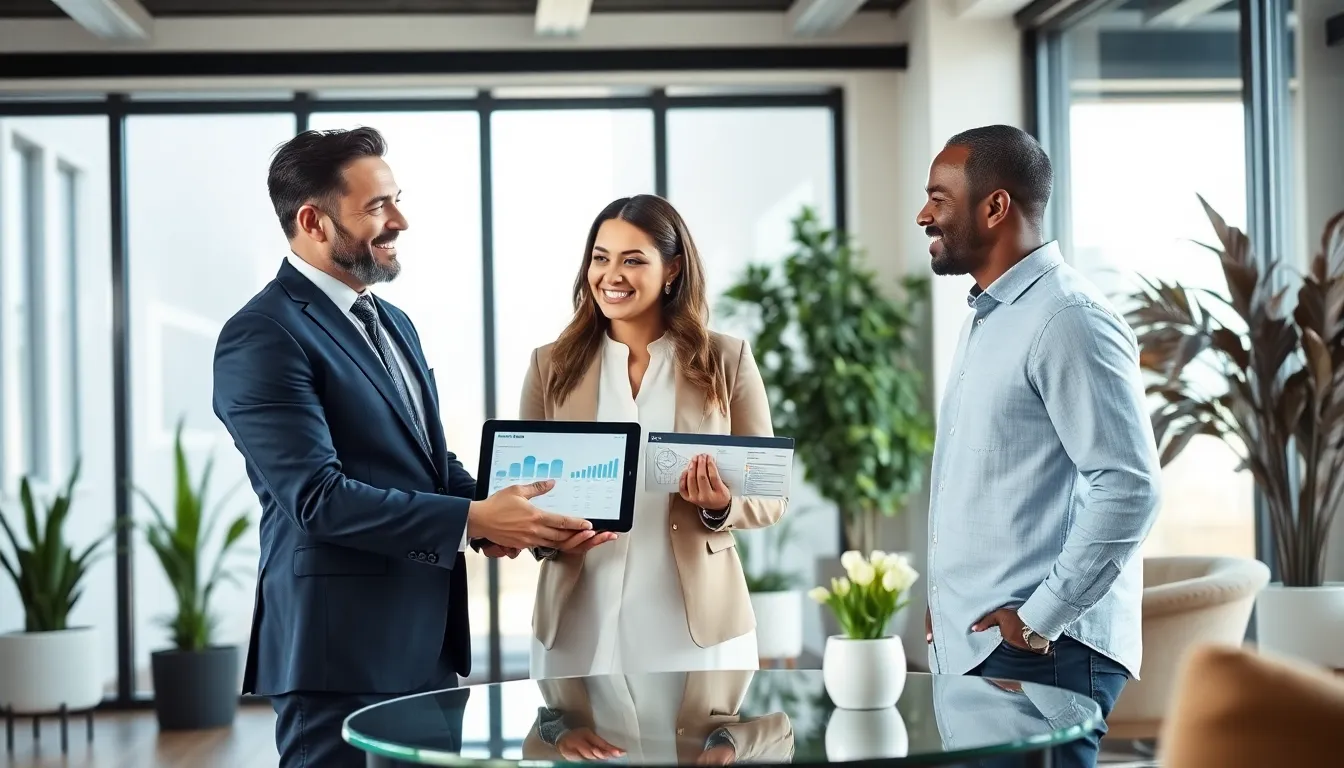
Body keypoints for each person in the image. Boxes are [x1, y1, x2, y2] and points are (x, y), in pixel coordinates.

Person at [212, 127, 594, 768]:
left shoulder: (392, 321)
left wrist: (503, 517)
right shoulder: (262, 335)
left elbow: (427, 462)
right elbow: (318, 498)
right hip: (338, 657)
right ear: (313, 220)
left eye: (397, 199)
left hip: (426, 647)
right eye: (377, 207)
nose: (401, 221)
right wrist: (473, 518)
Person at [916, 125, 1161, 768]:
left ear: (995, 207)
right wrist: (951, 606)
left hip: (1041, 651)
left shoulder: (1068, 318)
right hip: (988, 644)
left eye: (939, 198)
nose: (924, 214)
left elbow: (1129, 486)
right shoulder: (991, 316)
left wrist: (1038, 620)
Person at [519, 194, 786, 678]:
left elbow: (769, 494)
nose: (611, 275)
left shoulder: (726, 361)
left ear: (672, 269)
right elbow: (524, 498)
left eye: (633, 260)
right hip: (579, 620)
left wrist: (720, 504)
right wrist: (548, 536)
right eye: (600, 258)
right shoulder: (550, 365)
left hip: (692, 625)